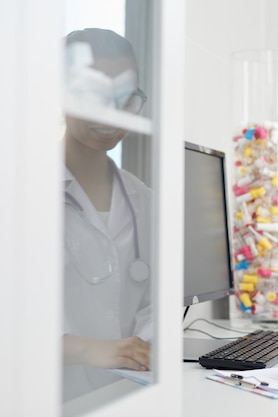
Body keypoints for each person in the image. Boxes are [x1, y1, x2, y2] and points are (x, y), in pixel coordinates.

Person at [62, 28, 152, 402]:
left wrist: (143, 348)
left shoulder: (143, 199)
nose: (110, 115)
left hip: (129, 393)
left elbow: (153, 306)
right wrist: (85, 348)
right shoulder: (18, 192)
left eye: (123, 99)